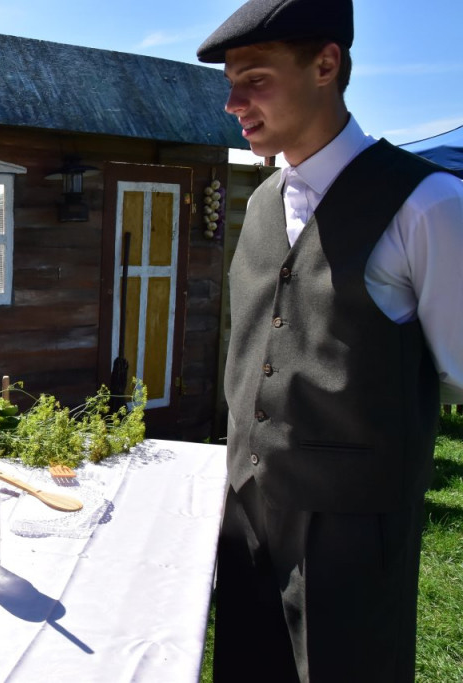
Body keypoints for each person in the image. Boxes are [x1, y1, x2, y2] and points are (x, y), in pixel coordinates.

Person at [199, 0, 463, 680]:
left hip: (352, 548)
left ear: (326, 64)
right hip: (247, 525)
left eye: (253, 78)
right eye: (229, 83)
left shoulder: (426, 205)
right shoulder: (258, 204)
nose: (233, 102)